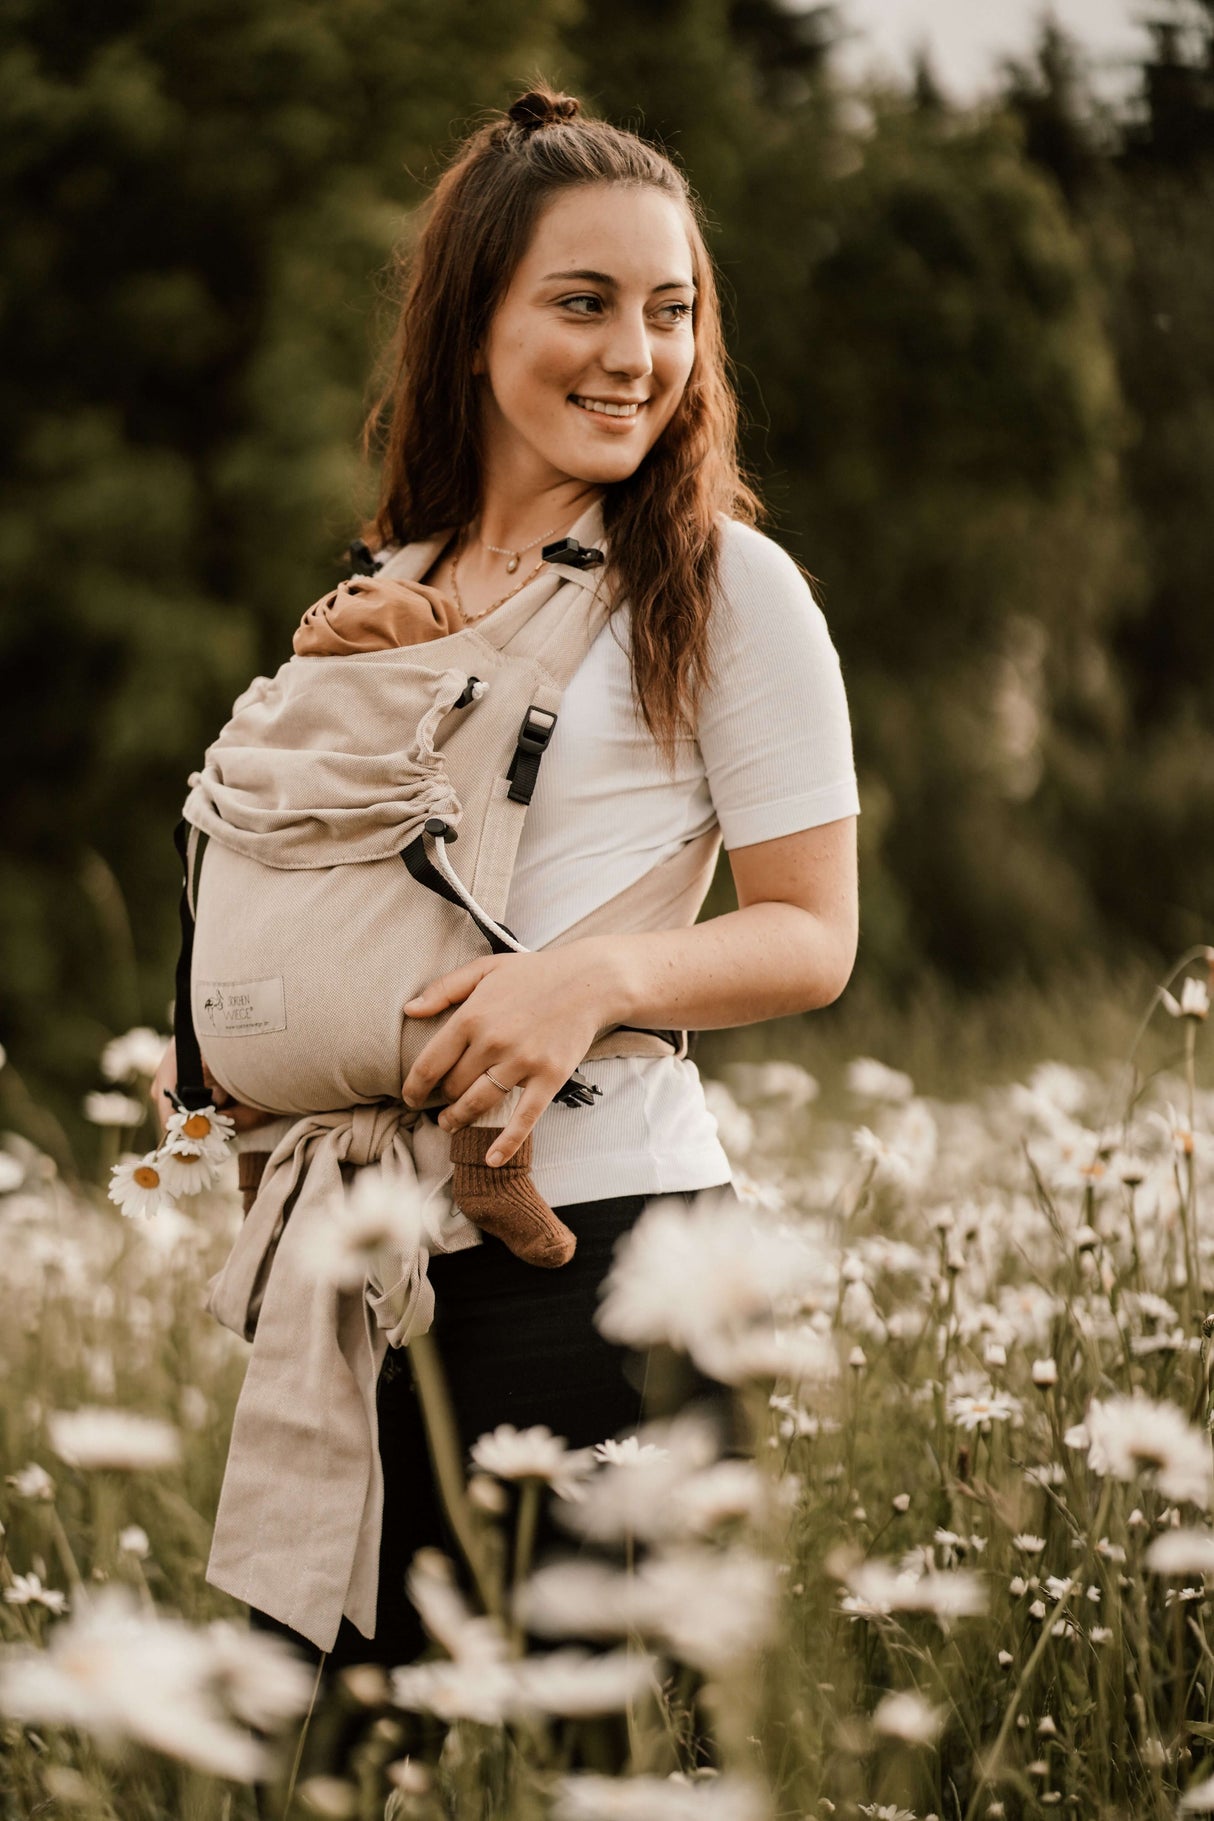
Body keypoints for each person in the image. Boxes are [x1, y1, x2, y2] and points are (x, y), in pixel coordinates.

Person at [153, 82, 860, 1677]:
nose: (635, 355)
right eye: (584, 303)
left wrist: (587, 978)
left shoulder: (721, 586)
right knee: (370, 1759)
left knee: (593, 1758)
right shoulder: (380, 591)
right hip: (359, 1272)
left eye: (670, 312)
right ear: (475, 322)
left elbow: (813, 933)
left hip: (607, 1254)